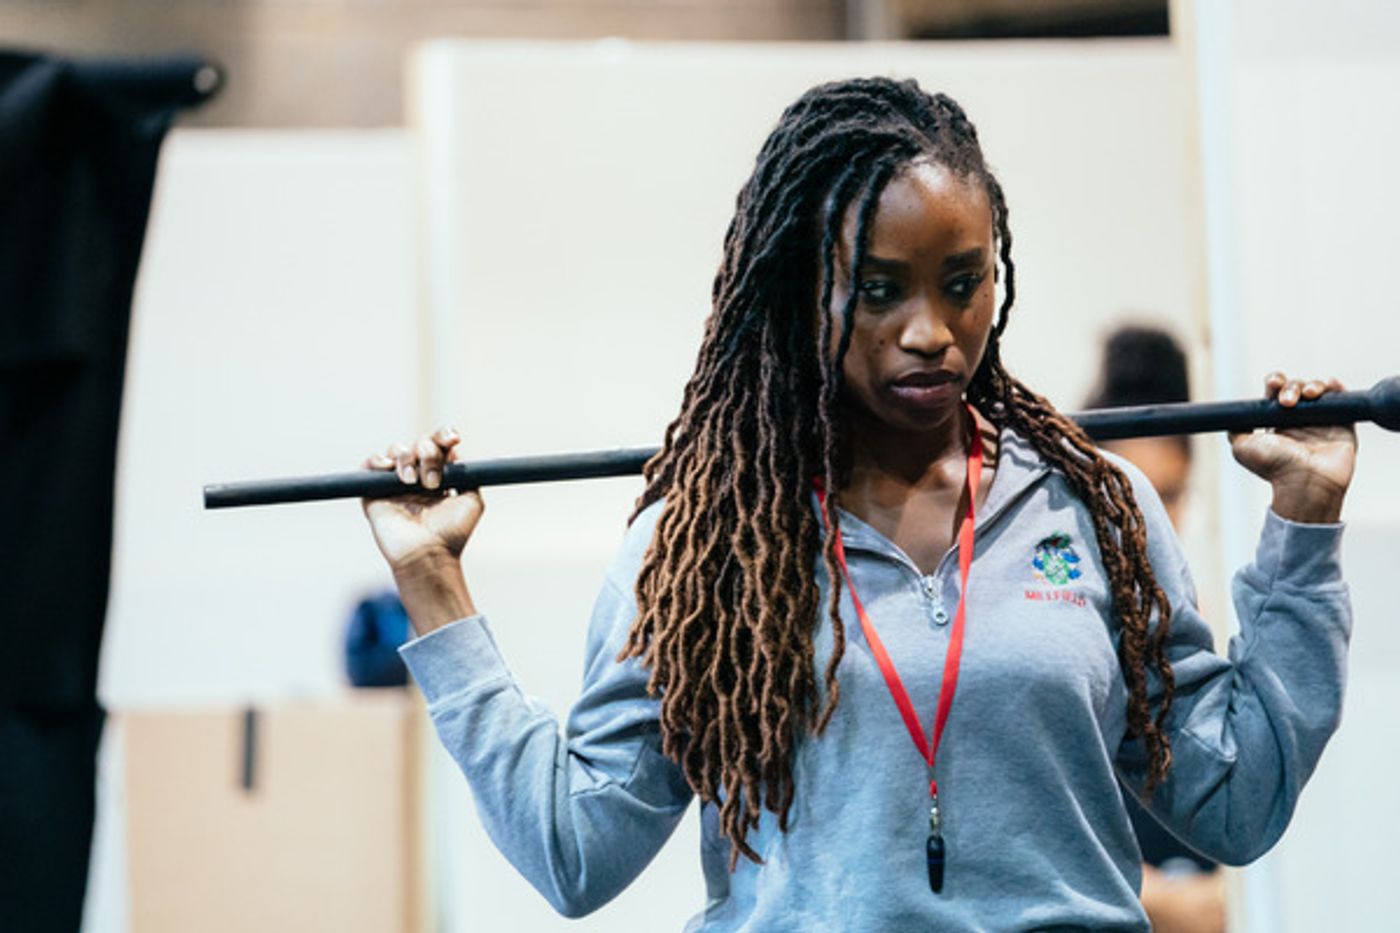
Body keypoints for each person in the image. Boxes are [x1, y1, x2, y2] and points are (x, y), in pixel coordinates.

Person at [360, 78, 1357, 930]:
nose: (930, 331)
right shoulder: (705, 548)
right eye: (878, 290)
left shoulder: (1093, 509)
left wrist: (1301, 528)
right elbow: (573, 850)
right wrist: (433, 586)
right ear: (801, 295)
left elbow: (1241, 801)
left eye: (961, 283)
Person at [1085, 325, 1225, 933]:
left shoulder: (1194, 634)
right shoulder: (1055, 652)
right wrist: (1160, 898)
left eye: (1167, 495)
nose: (1146, 523)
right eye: (1127, 495)